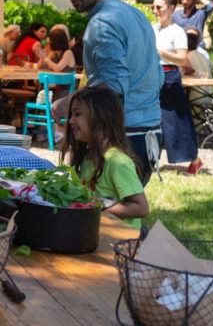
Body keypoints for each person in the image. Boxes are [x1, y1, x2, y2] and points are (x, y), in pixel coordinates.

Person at [60, 0, 163, 185]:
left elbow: (112, 88)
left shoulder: (102, 23)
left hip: (121, 139)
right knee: (119, 218)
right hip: (150, 136)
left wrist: (69, 103)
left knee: (101, 218)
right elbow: (158, 77)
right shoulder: (136, 15)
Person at [61, 86, 150, 227]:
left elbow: (141, 208)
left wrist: (98, 206)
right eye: (71, 115)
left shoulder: (117, 162)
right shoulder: (88, 157)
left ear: (101, 118)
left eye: (77, 114)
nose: (71, 121)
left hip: (121, 241)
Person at [152, 0, 201, 175]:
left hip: (170, 78)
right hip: (153, 78)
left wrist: (162, 53)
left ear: (171, 8)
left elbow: (182, 59)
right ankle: (149, 159)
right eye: (154, 7)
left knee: (177, 122)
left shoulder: (178, 31)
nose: (155, 11)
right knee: (153, 120)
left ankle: (195, 160)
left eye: (159, 7)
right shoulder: (153, 28)